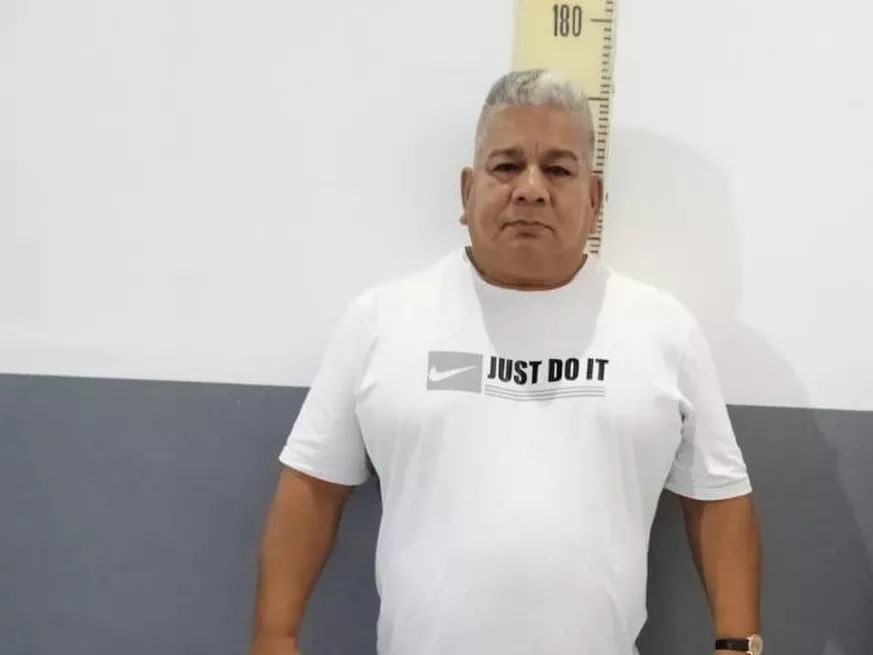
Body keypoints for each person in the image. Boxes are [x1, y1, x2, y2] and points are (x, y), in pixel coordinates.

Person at [250, 69, 763, 655]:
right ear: (467, 191)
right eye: (506, 166)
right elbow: (312, 486)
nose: (531, 189)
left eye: (559, 169)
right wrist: (273, 637)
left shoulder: (663, 330)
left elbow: (718, 495)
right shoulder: (381, 321)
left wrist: (737, 646)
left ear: (594, 199)